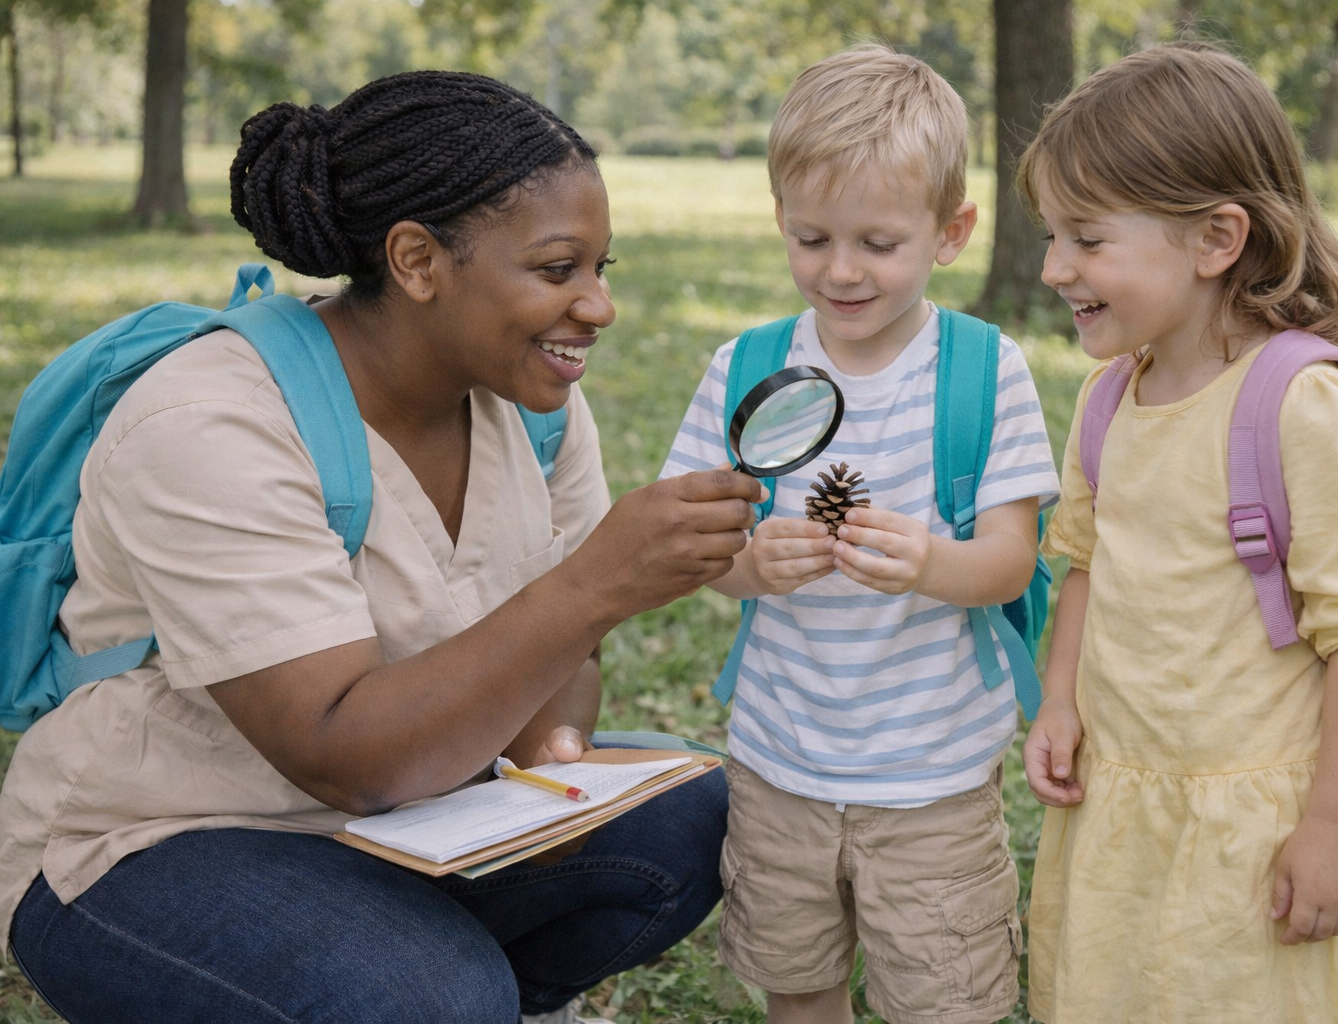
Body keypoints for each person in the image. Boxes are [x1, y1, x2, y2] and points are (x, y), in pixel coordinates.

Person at [0, 71, 765, 1024]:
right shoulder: (211, 421)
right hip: (160, 841)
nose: (598, 307)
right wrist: (596, 585)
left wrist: (559, 766)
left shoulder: (534, 410)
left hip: (415, 824)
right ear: (415, 260)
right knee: (424, 995)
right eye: (558, 269)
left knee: (698, 817)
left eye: (602, 269)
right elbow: (342, 754)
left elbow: (558, 685)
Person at [1019, 44, 1338, 1024]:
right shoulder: (1109, 397)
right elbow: (1086, 566)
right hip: (1130, 801)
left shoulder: (1303, 406)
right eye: (1051, 236)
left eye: (1086, 239)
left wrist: (1334, 824)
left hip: (1265, 826)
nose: (1055, 267)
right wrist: (1060, 697)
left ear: (1217, 237)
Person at [661, 45, 1060, 1024]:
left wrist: (930, 560)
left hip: (932, 777)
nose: (840, 271)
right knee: (796, 981)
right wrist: (753, 562)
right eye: (812, 238)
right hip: (777, 758)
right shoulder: (746, 366)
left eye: (878, 243)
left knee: (944, 997)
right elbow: (699, 553)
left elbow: (1012, 559)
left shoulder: (983, 369)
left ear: (950, 232)